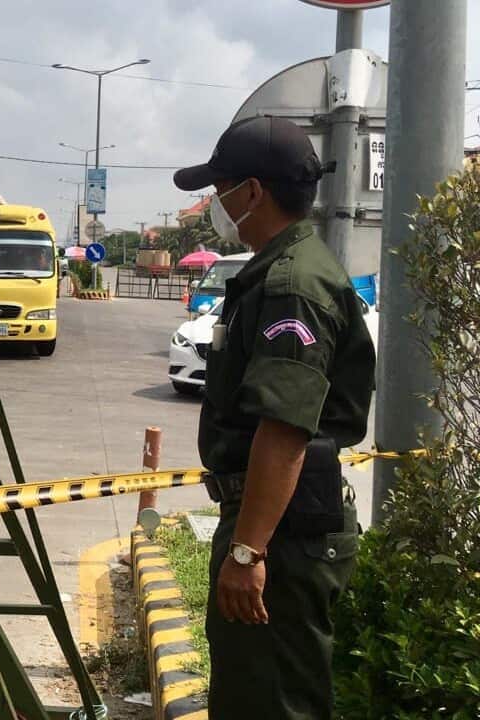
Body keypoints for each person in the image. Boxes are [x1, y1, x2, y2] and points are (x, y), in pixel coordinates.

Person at [173, 116, 375, 719]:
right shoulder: (280, 270)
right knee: (253, 693)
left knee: (274, 703)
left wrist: (247, 552)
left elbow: (285, 428)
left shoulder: (292, 286)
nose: (216, 202)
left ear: (254, 192)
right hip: (276, 525)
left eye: (222, 188)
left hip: (282, 537)